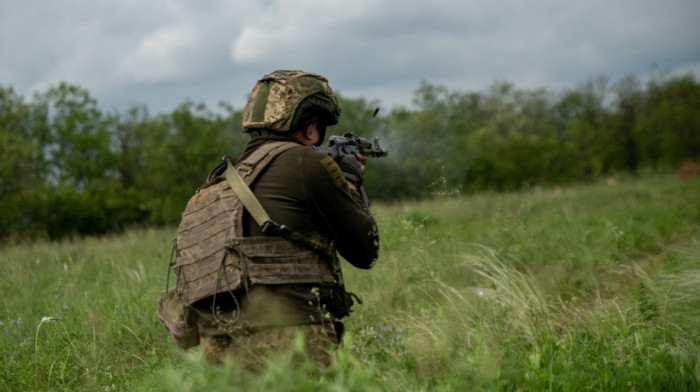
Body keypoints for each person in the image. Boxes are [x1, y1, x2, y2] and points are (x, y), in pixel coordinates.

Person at [189, 70, 380, 366]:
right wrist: (350, 182)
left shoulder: (217, 182)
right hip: (294, 339)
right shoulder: (309, 163)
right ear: (311, 129)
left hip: (218, 348)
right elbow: (365, 251)